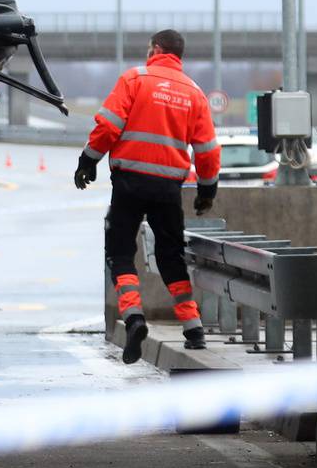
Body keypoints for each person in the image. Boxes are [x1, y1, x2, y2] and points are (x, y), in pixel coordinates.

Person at [74, 28, 220, 364]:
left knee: (121, 252)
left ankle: (135, 317)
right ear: (178, 55)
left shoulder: (134, 79)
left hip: (129, 184)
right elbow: (208, 150)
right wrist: (207, 190)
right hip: (168, 187)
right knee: (171, 256)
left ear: (155, 49)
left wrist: (88, 160)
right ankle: (193, 327)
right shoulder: (194, 93)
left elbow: (109, 125)